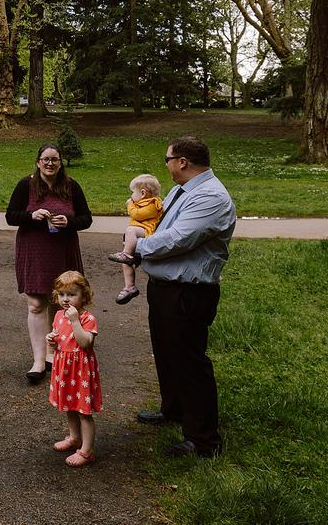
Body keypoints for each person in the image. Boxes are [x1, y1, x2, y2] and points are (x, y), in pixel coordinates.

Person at [127, 135, 237, 459]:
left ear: (182, 162)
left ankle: (204, 440)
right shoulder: (179, 191)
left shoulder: (211, 197)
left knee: (189, 361)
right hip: (164, 287)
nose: (167, 165)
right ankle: (173, 410)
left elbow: (177, 239)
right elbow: (159, 229)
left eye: (167, 159)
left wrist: (136, 248)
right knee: (166, 352)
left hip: (189, 291)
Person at [6, 143, 92, 384]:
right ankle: (37, 360)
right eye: (46, 159)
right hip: (34, 251)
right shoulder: (26, 185)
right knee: (35, 304)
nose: (50, 163)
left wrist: (70, 221)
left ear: (60, 162)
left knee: (61, 302)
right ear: (38, 162)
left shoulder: (71, 186)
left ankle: (54, 355)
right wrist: (31, 216)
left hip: (63, 251)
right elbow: (11, 216)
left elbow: (87, 218)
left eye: (55, 159)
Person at [46, 271, 101, 468]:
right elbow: (59, 338)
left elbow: (85, 342)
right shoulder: (59, 315)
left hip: (81, 371)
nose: (65, 299)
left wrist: (75, 321)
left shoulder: (87, 318)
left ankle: (87, 451)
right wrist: (51, 339)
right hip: (65, 368)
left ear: (83, 296)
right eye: (62, 295)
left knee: (83, 411)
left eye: (71, 295)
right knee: (69, 406)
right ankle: (74, 438)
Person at [109, 173, 163, 303]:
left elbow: (137, 215)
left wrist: (130, 204)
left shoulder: (152, 204)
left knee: (130, 230)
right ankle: (129, 287)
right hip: (140, 232)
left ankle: (126, 254)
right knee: (126, 263)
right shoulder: (144, 202)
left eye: (133, 192)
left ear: (143, 193)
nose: (131, 196)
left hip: (147, 232)